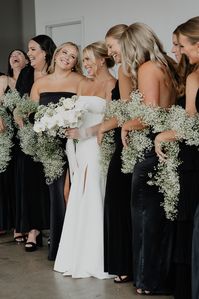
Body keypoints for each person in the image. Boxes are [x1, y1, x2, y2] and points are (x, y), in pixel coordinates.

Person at [120, 23, 179, 295]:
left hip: (150, 148)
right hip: (166, 147)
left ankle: (146, 280)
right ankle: (158, 278)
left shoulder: (146, 68)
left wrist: (126, 125)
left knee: (144, 217)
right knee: (159, 217)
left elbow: (149, 114)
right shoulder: (166, 65)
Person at [54, 41, 116, 279]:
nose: (86, 64)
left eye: (89, 59)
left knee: (92, 193)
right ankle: (74, 255)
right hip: (76, 146)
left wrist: (86, 134)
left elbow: (112, 120)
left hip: (94, 145)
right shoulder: (84, 83)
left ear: (102, 60)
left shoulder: (112, 85)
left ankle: (95, 258)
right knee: (77, 193)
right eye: (85, 60)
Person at [154, 16, 199, 299]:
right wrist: (165, 134)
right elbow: (192, 120)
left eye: (182, 46)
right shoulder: (194, 76)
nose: (180, 52)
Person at [30, 41, 84, 260]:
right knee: (56, 196)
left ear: (75, 63)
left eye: (72, 56)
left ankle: (72, 246)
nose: (67, 57)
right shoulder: (40, 83)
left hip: (72, 144)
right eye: (64, 52)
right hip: (49, 147)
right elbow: (31, 113)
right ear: (56, 55)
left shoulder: (80, 81)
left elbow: (84, 112)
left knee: (69, 193)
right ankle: (59, 246)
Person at [97, 24, 133, 282]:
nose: (109, 51)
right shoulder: (130, 68)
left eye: (111, 46)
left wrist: (99, 128)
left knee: (118, 203)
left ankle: (124, 264)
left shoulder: (126, 70)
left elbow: (127, 111)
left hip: (128, 140)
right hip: (127, 139)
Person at [14, 35, 56, 252]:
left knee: (50, 183)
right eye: (28, 50)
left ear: (45, 52)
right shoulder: (26, 74)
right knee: (30, 182)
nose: (28, 53)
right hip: (29, 136)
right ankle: (33, 230)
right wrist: (17, 112)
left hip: (52, 137)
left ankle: (55, 228)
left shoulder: (57, 72)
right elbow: (19, 102)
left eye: (32, 49)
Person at [0, 49, 29, 240]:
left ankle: (21, 225)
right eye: (12, 55)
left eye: (19, 54)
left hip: (25, 133)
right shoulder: (4, 80)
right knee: (5, 177)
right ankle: (6, 223)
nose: (15, 57)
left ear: (27, 61)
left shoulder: (29, 81)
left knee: (20, 179)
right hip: (6, 132)